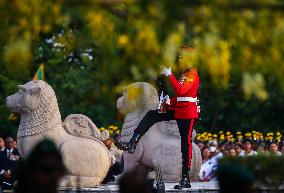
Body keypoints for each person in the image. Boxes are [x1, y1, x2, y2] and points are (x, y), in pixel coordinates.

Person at [115, 45, 200, 189]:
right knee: (152, 114)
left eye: (181, 57)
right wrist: (168, 102)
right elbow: (181, 97)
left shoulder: (191, 74)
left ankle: (185, 177)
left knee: (185, 145)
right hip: (179, 109)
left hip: (187, 113)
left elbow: (181, 91)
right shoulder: (185, 74)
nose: (179, 59)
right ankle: (132, 143)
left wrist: (169, 75)